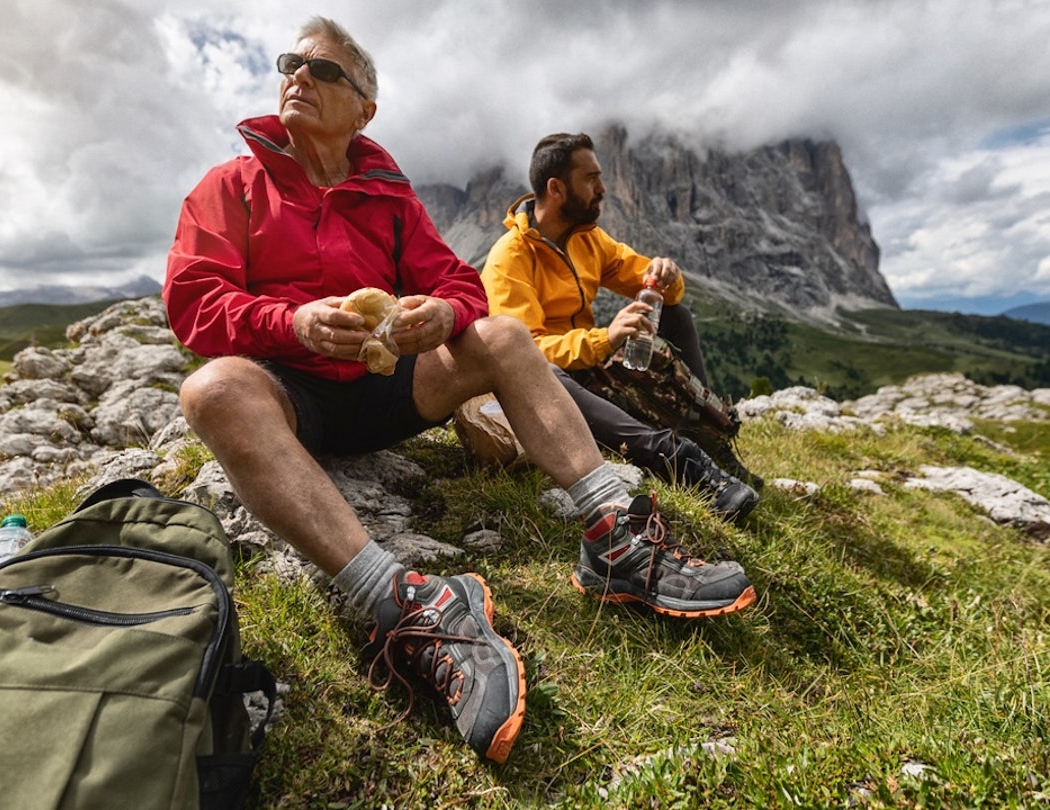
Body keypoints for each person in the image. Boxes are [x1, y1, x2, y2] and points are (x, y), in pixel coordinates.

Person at [164, 19, 757, 765]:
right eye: (290, 63)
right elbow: (191, 304)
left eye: (322, 70)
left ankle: (615, 539)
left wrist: (443, 313)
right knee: (212, 388)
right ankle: (399, 599)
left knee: (505, 335)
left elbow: (456, 284)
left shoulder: (388, 196)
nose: (297, 77)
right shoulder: (231, 187)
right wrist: (292, 323)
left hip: (384, 396)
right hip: (286, 395)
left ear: (364, 110)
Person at [483, 133, 760, 524]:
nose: (603, 188)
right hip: (550, 376)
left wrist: (667, 276)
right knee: (547, 374)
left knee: (675, 314)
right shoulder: (508, 258)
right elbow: (526, 350)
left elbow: (646, 279)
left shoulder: (589, 240)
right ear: (556, 188)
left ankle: (708, 437)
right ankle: (678, 459)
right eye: (591, 178)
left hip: (590, 362)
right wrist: (605, 339)